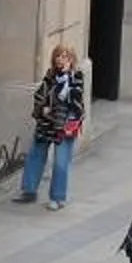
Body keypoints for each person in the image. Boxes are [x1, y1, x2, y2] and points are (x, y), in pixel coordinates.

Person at [15, 44, 86, 206]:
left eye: (66, 57)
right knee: (36, 154)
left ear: (71, 60)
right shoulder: (50, 76)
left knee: (61, 161)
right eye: (59, 56)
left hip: (65, 124)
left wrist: (66, 78)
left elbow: (75, 100)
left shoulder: (76, 77)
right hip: (47, 123)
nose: (61, 60)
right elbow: (40, 95)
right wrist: (43, 108)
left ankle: (58, 197)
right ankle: (29, 190)